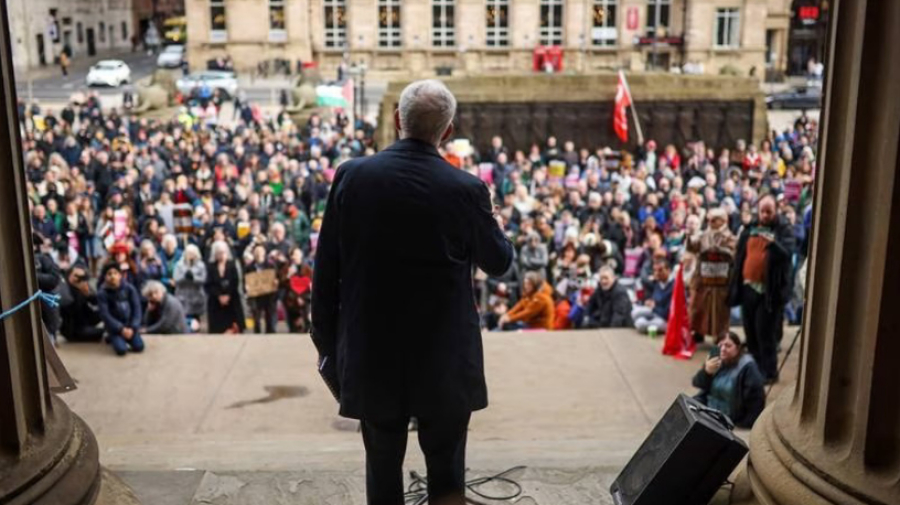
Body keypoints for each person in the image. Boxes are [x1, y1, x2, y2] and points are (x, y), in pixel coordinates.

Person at [312, 80, 513, 505]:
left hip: (372, 355)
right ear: (447, 129)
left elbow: (325, 268)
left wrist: (328, 347)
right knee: (446, 475)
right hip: (443, 359)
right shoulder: (466, 189)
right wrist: (492, 219)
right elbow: (499, 262)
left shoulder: (351, 175)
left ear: (397, 120)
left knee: (381, 472)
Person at [728, 195, 795, 384]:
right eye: (762, 211)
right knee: (750, 332)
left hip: (769, 293)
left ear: (776, 211)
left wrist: (773, 243)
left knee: (765, 333)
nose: (765, 215)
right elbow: (740, 256)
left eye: (769, 212)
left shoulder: (784, 229)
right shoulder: (749, 229)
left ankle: (769, 372)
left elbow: (788, 254)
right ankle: (754, 370)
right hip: (748, 288)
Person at [692, 332, 766, 429]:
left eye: (728, 346)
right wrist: (706, 372)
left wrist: (743, 424)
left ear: (737, 348)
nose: (723, 349)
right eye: (720, 345)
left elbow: (757, 400)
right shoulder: (716, 360)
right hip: (712, 410)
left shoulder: (748, 366)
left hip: (732, 418)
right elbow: (697, 384)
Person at [687, 207, 737, 341]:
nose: (711, 222)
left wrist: (723, 251)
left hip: (721, 279)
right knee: (699, 306)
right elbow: (693, 248)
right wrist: (690, 237)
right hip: (703, 277)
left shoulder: (730, 237)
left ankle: (720, 335)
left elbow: (734, 253)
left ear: (723, 221)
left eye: (714, 220)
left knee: (719, 310)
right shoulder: (704, 235)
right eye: (709, 220)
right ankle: (698, 332)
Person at [97, 263, 144, 356]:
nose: (112, 276)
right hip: (115, 328)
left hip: (130, 326)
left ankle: (126, 337)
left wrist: (133, 327)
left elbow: (137, 309)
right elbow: (105, 315)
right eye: (109, 274)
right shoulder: (102, 293)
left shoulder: (130, 289)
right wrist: (120, 329)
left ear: (120, 275)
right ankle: (111, 337)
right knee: (121, 350)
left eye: (115, 273)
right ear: (105, 277)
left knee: (139, 347)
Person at [206, 241, 245, 334]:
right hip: (216, 298)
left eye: (223, 252)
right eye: (219, 253)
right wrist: (219, 296)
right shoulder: (211, 267)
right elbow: (209, 284)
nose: (221, 255)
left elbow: (235, 281)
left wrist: (228, 295)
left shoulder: (232, 265)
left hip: (231, 296)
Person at [60, 266, 104, 342]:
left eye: (82, 276)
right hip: (72, 328)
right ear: (69, 276)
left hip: (84, 319)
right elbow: (73, 310)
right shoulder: (65, 289)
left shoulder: (82, 285)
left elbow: (96, 301)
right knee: (101, 332)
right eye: (76, 276)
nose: (79, 279)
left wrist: (88, 294)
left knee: (104, 312)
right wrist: (80, 294)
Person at [631, 259, 674, 334]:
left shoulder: (674, 286)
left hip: (665, 319)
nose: (657, 273)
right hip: (655, 311)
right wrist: (650, 302)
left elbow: (668, 312)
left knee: (641, 324)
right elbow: (655, 299)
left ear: (669, 270)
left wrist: (654, 307)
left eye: (660, 270)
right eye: (655, 270)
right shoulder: (658, 282)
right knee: (635, 312)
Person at [246, 243, 278, 334]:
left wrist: (276, 282)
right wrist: (247, 286)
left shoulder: (271, 265)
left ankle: (270, 333)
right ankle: (257, 333)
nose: (258, 254)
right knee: (256, 315)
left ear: (264, 253)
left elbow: (277, 277)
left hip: (268, 294)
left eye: (260, 251)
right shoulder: (249, 267)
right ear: (253, 253)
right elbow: (246, 279)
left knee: (269, 315)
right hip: (255, 294)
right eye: (256, 252)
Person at [173, 244, 207, 326]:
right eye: (189, 253)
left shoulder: (201, 265)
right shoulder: (179, 265)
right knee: (184, 317)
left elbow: (204, 279)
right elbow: (176, 279)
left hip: (196, 295)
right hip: (183, 295)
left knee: (196, 318)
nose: (190, 255)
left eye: (192, 253)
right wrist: (184, 276)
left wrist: (194, 278)